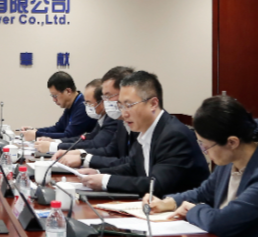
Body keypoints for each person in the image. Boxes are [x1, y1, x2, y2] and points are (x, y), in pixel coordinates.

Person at [143, 96, 258, 237]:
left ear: (232, 142)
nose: (204, 152)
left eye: (206, 146)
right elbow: (203, 193)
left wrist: (193, 210)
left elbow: (222, 223)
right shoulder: (230, 159)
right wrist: (168, 202)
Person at [75, 71, 209, 197]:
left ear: (153, 104)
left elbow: (156, 185)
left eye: (129, 105)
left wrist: (106, 181)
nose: (124, 113)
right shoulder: (145, 130)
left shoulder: (174, 135)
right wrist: (98, 173)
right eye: (121, 106)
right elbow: (132, 167)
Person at [58, 66, 137, 169]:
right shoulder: (121, 121)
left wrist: (83, 159)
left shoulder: (119, 119)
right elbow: (110, 150)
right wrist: (79, 155)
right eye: (104, 97)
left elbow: (131, 165)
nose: (105, 101)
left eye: (108, 96)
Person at [35, 79, 119, 153]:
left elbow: (94, 144)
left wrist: (53, 146)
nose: (86, 106)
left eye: (89, 103)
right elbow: (85, 138)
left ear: (102, 102)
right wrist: (54, 141)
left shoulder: (111, 119)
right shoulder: (100, 118)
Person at [20, 71, 96, 141]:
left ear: (68, 91)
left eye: (55, 96)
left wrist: (37, 135)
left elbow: (69, 136)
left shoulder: (83, 106)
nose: (54, 100)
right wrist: (35, 130)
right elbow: (58, 128)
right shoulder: (71, 104)